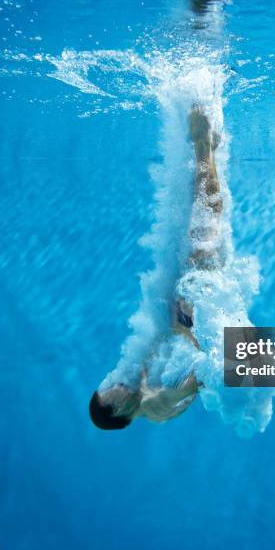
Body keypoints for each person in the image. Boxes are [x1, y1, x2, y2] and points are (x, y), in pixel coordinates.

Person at [89, 104, 223, 429]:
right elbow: (204, 377)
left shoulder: (147, 399)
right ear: (119, 411)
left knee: (202, 223)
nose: (115, 386)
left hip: (188, 314)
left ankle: (207, 151)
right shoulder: (152, 402)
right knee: (205, 224)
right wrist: (185, 327)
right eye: (112, 394)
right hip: (194, 314)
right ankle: (204, 146)